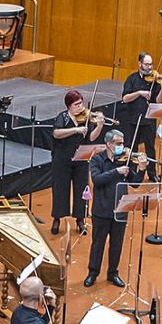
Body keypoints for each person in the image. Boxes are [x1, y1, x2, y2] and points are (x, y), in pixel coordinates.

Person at [85, 129, 146, 288]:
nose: (122, 146)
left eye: (123, 143)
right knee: (98, 244)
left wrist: (141, 168)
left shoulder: (124, 160)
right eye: (119, 143)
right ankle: (93, 272)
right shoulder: (97, 160)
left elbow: (135, 183)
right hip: (101, 210)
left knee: (117, 244)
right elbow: (97, 180)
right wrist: (116, 172)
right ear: (109, 144)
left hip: (120, 209)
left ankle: (113, 273)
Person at [50, 89, 103, 235]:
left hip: (81, 159)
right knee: (60, 189)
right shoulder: (63, 117)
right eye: (76, 105)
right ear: (69, 106)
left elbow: (91, 138)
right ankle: (57, 218)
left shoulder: (86, 118)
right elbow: (56, 133)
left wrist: (99, 126)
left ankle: (80, 219)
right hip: (62, 159)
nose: (80, 107)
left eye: (81, 104)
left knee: (81, 190)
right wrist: (75, 130)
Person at [118, 52, 162, 163]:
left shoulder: (155, 81)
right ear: (140, 64)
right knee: (132, 147)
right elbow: (125, 98)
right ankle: (131, 171)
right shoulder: (131, 79)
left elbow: (158, 101)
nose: (149, 67)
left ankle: (152, 173)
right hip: (132, 119)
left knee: (150, 149)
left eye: (151, 64)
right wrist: (139, 93)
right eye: (146, 64)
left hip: (149, 120)